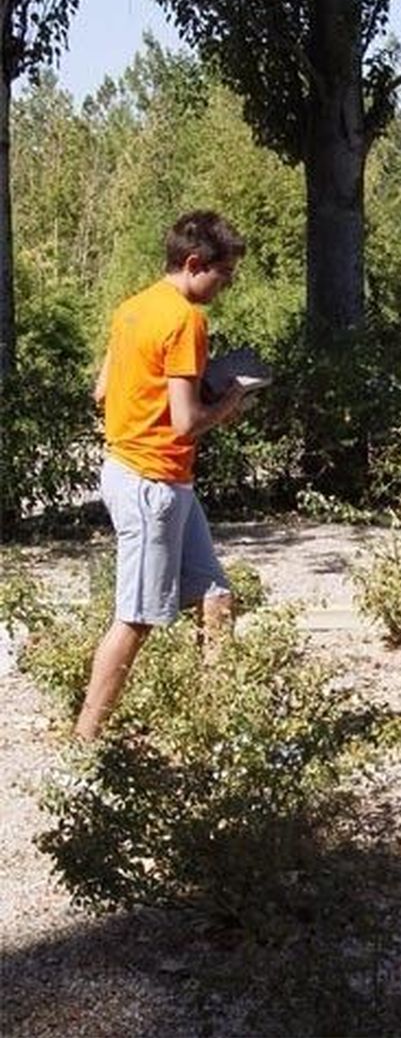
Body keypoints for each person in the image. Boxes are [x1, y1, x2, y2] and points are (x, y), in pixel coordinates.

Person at [77, 211, 249, 741]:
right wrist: (230, 402)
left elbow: (102, 392)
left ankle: (213, 729)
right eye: (224, 275)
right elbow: (187, 421)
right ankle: (83, 747)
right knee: (138, 617)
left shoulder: (131, 308)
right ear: (195, 263)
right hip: (153, 484)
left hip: (138, 473)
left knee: (215, 595)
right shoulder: (186, 319)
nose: (226, 285)